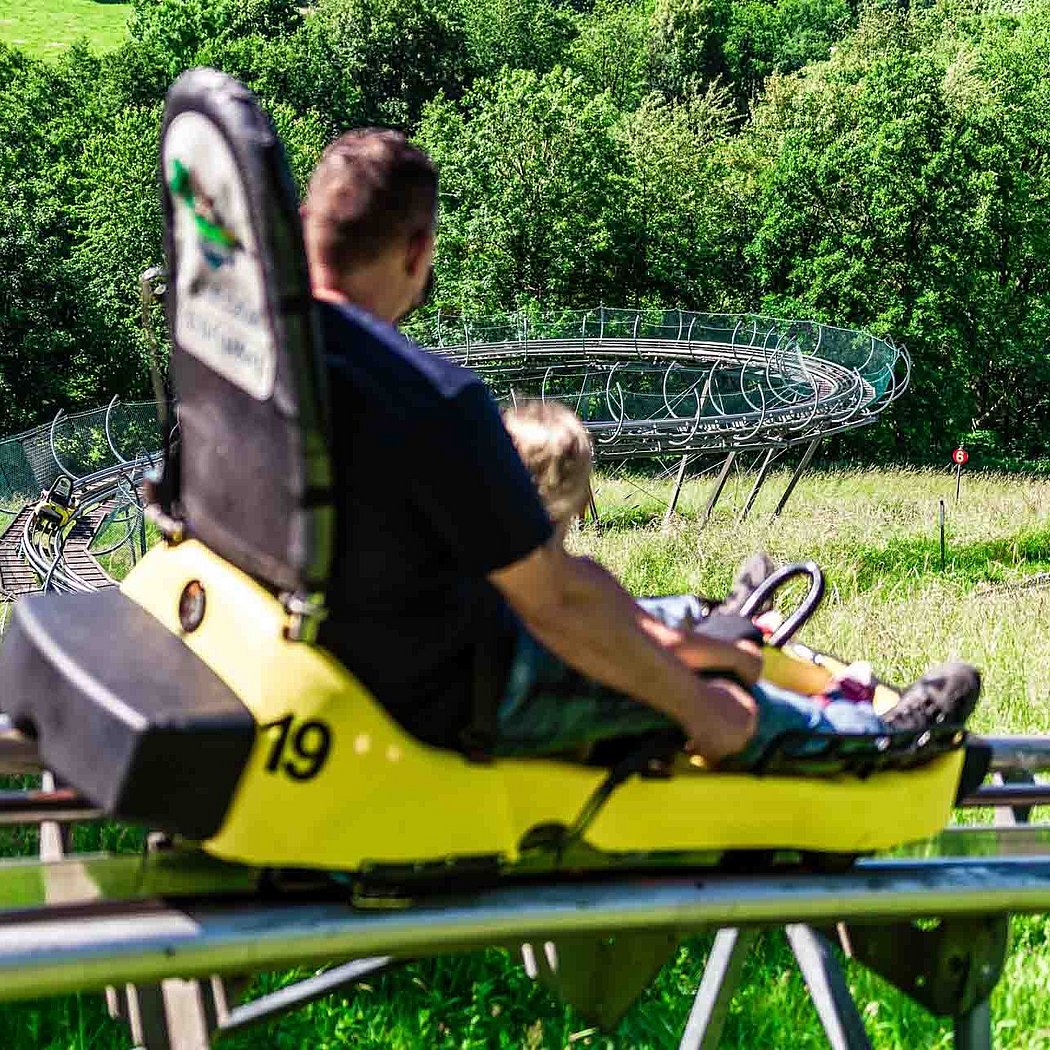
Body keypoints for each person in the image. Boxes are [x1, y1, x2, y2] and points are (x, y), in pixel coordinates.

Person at [301, 127, 980, 768]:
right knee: (737, 703)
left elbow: (549, 583)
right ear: (417, 251)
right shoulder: (433, 402)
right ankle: (863, 736)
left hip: (380, 647)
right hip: (460, 691)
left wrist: (652, 628)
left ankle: (716, 630)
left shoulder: (264, 375)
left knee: (622, 600)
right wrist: (698, 700)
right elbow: (555, 607)